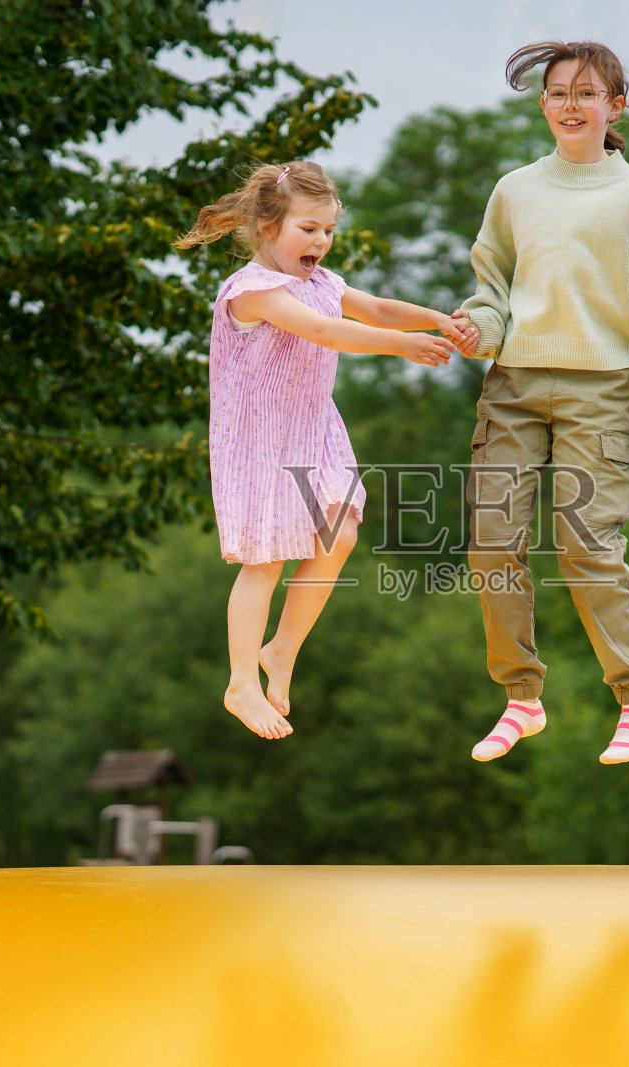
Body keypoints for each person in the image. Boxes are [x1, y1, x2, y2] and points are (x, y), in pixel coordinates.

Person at [453, 41, 629, 765]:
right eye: (557, 93)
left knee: (586, 545)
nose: (570, 105)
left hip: (603, 389)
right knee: (492, 543)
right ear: (542, 105)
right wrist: (481, 328)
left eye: (586, 94)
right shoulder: (515, 190)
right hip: (515, 386)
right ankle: (521, 697)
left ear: (614, 107)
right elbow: (492, 285)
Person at [177, 160, 478, 740]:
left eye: (328, 230)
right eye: (308, 229)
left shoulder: (322, 283)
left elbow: (378, 309)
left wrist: (441, 320)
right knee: (265, 562)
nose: (321, 241)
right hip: (261, 441)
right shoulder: (252, 292)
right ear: (267, 226)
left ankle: (281, 651)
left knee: (338, 533)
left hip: (313, 429)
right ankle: (241, 682)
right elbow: (325, 332)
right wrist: (402, 348)